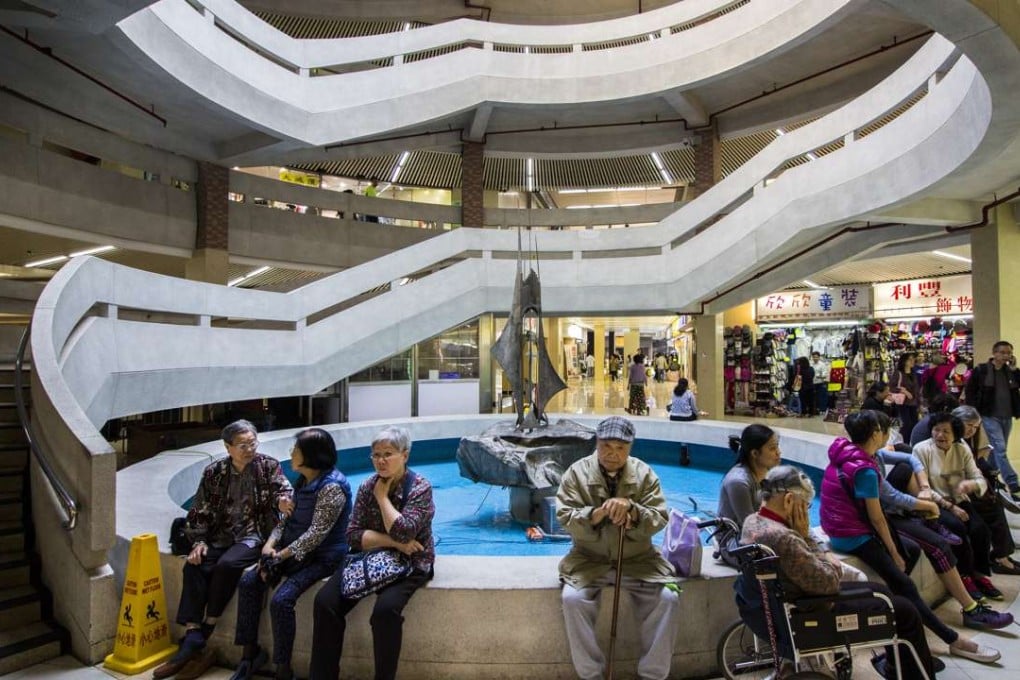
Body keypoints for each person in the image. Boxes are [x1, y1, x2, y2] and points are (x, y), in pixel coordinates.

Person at [739, 465, 937, 679]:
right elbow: (830, 582)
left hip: (784, 602)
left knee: (881, 591)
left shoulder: (753, 521)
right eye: (805, 506)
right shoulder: (785, 538)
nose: (806, 512)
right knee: (905, 610)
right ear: (788, 501)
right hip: (811, 610)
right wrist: (807, 538)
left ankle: (893, 667)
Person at [854, 412, 1012, 656]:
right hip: (880, 523)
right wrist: (930, 507)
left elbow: (910, 464)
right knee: (935, 548)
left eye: (946, 431)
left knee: (973, 529)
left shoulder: (872, 456)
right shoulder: (865, 467)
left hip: (896, 514)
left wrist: (929, 492)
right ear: (876, 433)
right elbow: (882, 509)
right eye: (887, 431)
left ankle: (976, 582)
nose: (939, 435)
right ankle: (965, 616)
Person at [154, 421, 293, 680]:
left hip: (253, 535)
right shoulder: (214, 472)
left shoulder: (268, 466)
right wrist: (199, 541)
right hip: (219, 535)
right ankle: (193, 631)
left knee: (228, 565)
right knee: (194, 564)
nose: (250, 449)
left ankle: (206, 628)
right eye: (243, 445)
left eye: (253, 443)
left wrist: (283, 500)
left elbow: (282, 490)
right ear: (228, 447)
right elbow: (200, 509)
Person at [556, 416, 680, 680]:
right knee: (572, 600)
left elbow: (659, 517)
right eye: (606, 446)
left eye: (620, 448)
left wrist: (633, 512)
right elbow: (565, 517)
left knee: (669, 598)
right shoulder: (576, 473)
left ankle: (653, 674)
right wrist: (596, 514)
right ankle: (591, 674)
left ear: (630, 448)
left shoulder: (645, 474)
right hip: (588, 561)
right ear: (597, 443)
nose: (612, 454)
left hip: (639, 560)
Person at [310, 426, 435, 680]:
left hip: (410, 563)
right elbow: (353, 534)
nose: (381, 460)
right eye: (376, 455)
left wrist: (383, 499)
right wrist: (395, 543)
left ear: (405, 455)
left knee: (384, 613)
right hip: (371, 558)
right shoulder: (368, 486)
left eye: (388, 454)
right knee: (325, 603)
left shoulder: (420, 487)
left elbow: (405, 531)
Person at [231, 429, 352, 680]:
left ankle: (283, 668)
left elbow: (316, 535)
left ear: (311, 455)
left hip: (323, 556)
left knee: (281, 600)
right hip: (291, 551)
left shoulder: (332, 487)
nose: (291, 454)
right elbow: (288, 519)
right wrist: (270, 544)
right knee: (248, 581)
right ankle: (249, 654)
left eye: (295, 450)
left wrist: (279, 556)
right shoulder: (303, 481)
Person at [912, 413, 1005, 602]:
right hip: (936, 504)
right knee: (958, 530)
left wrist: (972, 485)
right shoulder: (921, 449)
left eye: (946, 431)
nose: (940, 435)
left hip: (960, 501)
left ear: (955, 434)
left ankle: (979, 575)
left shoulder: (962, 449)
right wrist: (951, 507)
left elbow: (978, 477)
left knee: (981, 530)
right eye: (936, 430)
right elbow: (925, 487)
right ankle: (964, 577)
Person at [952, 405, 1020, 576]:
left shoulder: (965, 441)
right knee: (992, 506)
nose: (973, 431)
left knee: (993, 500)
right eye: (970, 426)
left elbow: (973, 465)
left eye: (976, 427)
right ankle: (1000, 557)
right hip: (953, 489)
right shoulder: (951, 439)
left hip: (966, 483)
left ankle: (1002, 555)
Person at [716, 425, 780, 567]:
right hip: (735, 545)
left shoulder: (766, 476)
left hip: (760, 536)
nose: (778, 453)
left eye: (777, 447)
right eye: (772, 448)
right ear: (755, 453)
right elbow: (750, 528)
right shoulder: (739, 482)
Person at [964, 341, 1020, 498]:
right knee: (1000, 448)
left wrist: (1015, 369)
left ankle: (990, 470)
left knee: (998, 448)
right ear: (994, 353)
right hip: (989, 415)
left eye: (1008, 353)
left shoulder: (1011, 372)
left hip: (1007, 415)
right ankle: (1012, 482)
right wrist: (973, 412)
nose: (1005, 355)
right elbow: (970, 391)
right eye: (1002, 352)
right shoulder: (982, 371)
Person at [891, 352, 920, 443]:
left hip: (914, 402)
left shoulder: (913, 373)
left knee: (914, 423)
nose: (912, 361)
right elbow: (891, 387)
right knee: (907, 424)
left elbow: (916, 388)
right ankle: (904, 442)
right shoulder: (898, 373)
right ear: (904, 361)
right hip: (903, 403)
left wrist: (919, 401)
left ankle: (912, 441)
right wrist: (904, 391)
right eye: (910, 360)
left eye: (913, 360)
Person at [810, 351, 829, 416]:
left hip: (820, 383)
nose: (815, 358)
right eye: (814, 357)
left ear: (819, 357)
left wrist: (819, 376)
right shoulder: (810, 364)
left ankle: (822, 409)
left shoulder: (822, 364)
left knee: (821, 397)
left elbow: (825, 375)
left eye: (816, 357)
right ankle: (814, 410)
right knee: (812, 397)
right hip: (812, 383)